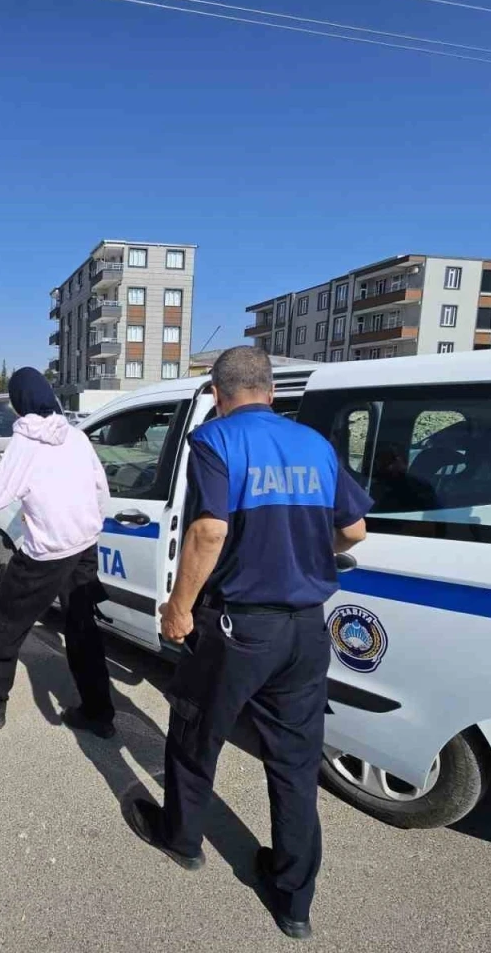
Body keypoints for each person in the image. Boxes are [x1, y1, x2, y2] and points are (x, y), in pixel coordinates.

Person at [122, 346, 371, 941]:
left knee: (195, 732)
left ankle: (182, 838)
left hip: (238, 626)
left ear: (216, 393)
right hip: (305, 629)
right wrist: (303, 551)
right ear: (272, 392)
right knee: (295, 762)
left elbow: (209, 531)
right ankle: (293, 899)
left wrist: (179, 606)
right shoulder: (315, 444)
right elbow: (354, 529)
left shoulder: (216, 440)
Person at [0, 367, 117, 737]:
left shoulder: (24, 443)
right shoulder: (76, 436)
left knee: (5, 622)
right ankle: (99, 712)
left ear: (19, 403)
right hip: (84, 545)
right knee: (82, 627)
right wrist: (91, 523)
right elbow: (100, 488)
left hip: (47, 552)